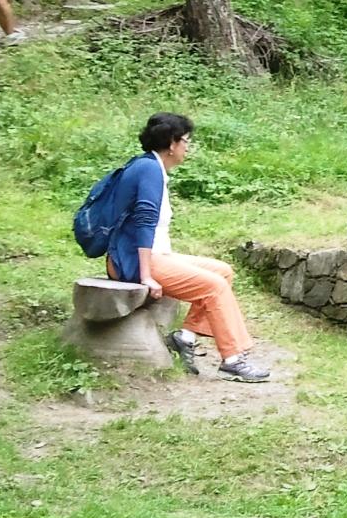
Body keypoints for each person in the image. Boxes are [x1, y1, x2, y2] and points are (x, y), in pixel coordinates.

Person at [104, 112, 270, 382]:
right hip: (133, 261)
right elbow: (144, 223)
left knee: (223, 271)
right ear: (172, 143)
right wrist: (145, 276)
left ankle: (185, 337)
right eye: (186, 141)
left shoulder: (151, 166)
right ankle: (233, 359)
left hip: (151, 255)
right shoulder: (148, 169)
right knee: (214, 286)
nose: (187, 147)